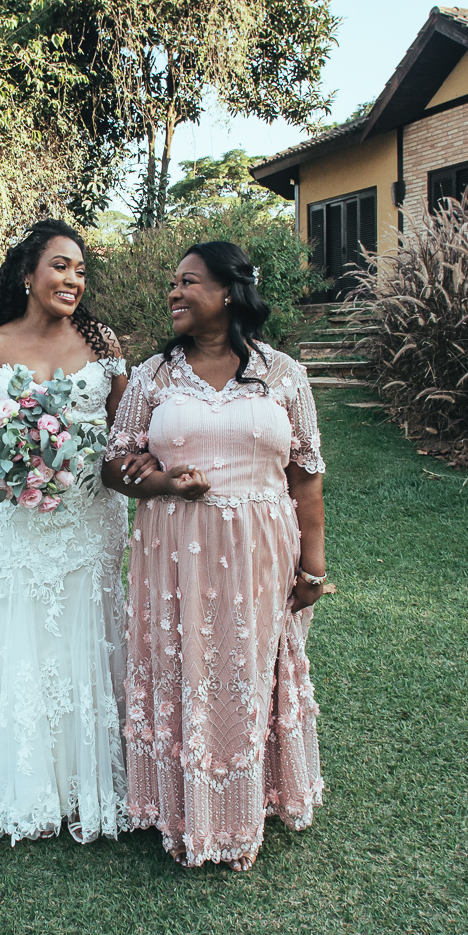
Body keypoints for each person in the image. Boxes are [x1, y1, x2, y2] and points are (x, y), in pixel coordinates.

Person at [102, 241, 326, 872]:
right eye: (173, 283)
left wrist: (314, 566)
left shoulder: (283, 373)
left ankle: (254, 800)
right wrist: (165, 482)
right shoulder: (153, 376)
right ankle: (179, 808)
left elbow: (306, 474)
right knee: (185, 663)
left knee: (249, 668)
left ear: (228, 292)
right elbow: (115, 464)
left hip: (260, 547)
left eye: (189, 282)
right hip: (175, 550)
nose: (175, 293)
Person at [0, 219, 150, 851]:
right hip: (23, 519)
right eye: (61, 266)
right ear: (29, 274)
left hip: (89, 516)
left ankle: (97, 778)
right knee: (26, 624)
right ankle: (30, 781)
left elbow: (127, 422)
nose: (73, 280)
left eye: (81, 270)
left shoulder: (101, 341)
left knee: (89, 622)